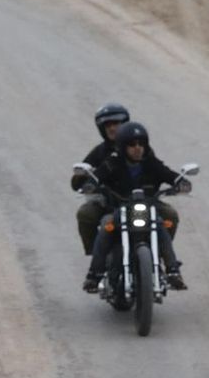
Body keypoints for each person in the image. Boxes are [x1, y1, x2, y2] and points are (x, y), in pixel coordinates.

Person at [83, 120, 186, 294]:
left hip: (145, 209)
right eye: (132, 144)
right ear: (123, 147)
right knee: (106, 226)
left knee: (161, 225)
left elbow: (167, 173)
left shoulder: (150, 162)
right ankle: (94, 274)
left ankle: (172, 270)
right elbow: (96, 176)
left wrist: (181, 182)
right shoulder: (113, 162)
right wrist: (90, 184)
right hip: (119, 210)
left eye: (141, 144)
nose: (137, 148)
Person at [71, 101, 132, 257]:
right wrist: (81, 177)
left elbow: (157, 169)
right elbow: (77, 182)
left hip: (137, 204)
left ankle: (164, 263)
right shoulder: (99, 152)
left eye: (116, 123)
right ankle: (96, 258)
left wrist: (174, 182)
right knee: (86, 213)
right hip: (109, 206)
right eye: (108, 125)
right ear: (102, 129)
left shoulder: (139, 146)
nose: (112, 128)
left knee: (168, 215)